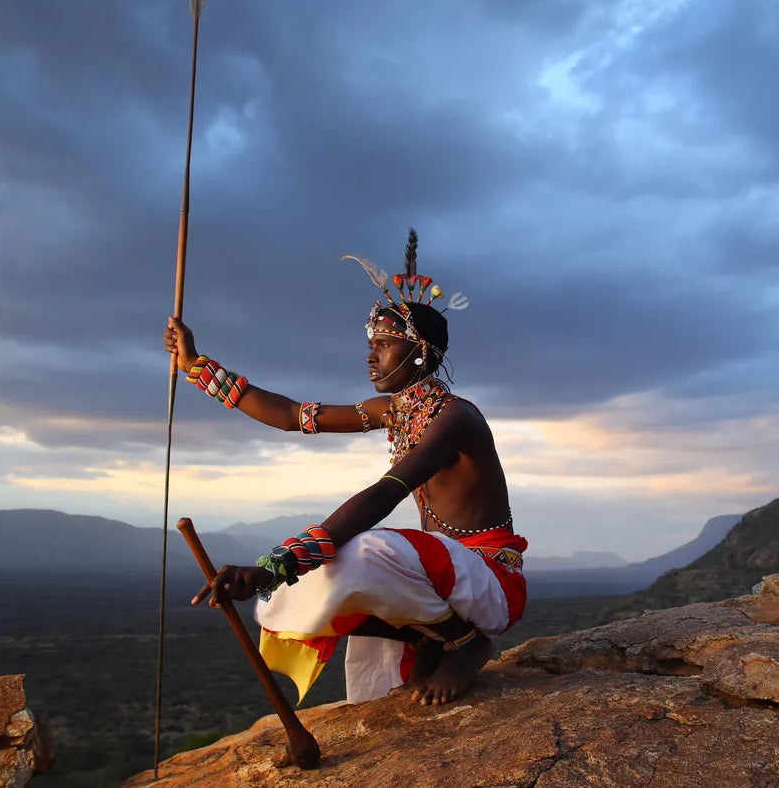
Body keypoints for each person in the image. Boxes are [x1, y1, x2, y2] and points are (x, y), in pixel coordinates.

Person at [166, 231, 525, 707]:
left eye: (385, 344)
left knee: (364, 550)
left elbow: (386, 492)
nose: (370, 355)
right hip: (445, 580)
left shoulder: (456, 418)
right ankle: (431, 636)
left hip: (490, 580)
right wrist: (197, 366)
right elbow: (291, 415)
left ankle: (466, 641)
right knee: (319, 576)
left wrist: (275, 565)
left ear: (421, 351)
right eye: (371, 343)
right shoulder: (393, 411)